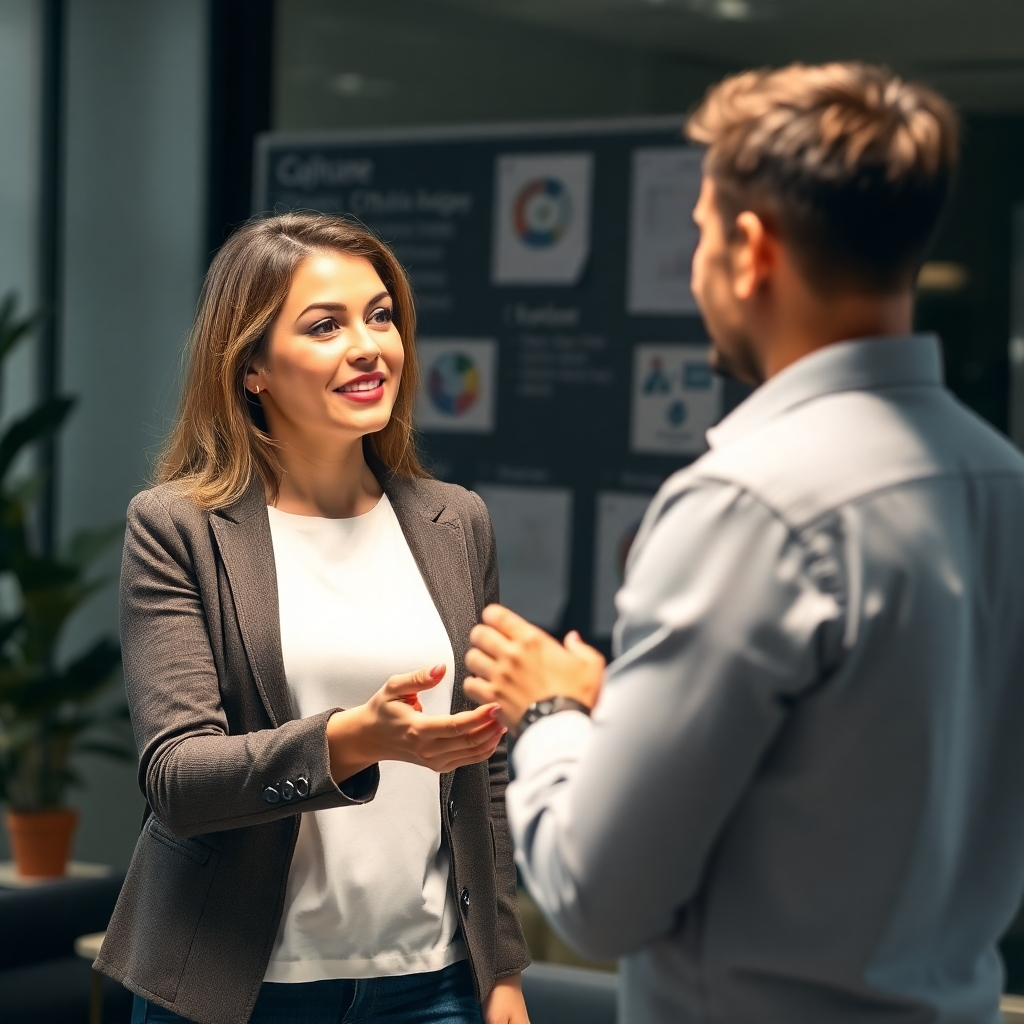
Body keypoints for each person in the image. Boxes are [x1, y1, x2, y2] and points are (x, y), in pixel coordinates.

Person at [464, 62, 1024, 1024]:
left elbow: (597, 898)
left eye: (697, 232)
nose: (694, 265)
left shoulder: (751, 505)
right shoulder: (1001, 482)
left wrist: (551, 713)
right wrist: (623, 719)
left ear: (750, 251)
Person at [94, 213, 531, 1024]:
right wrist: (354, 740)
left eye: (381, 315)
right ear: (252, 365)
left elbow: (484, 770)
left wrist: (501, 969)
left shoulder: (455, 521)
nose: (368, 346)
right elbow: (178, 779)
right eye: (325, 325)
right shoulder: (177, 527)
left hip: (433, 982)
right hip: (238, 984)